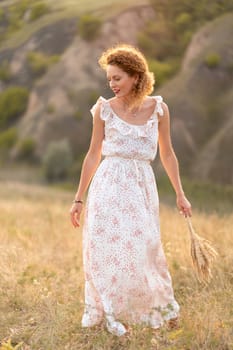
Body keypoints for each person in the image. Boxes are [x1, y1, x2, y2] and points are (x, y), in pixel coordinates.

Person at [70, 44, 192, 336]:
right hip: (108, 185)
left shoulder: (159, 109)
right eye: (109, 78)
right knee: (108, 250)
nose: (112, 84)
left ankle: (161, 309)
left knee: (146, 248)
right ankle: (112, 313)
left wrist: (180, 193)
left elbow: (168, 154)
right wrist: (78, 198)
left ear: (136, 76)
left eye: (117, 78)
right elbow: (92, 154)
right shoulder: (104, 109)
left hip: (141, 187)